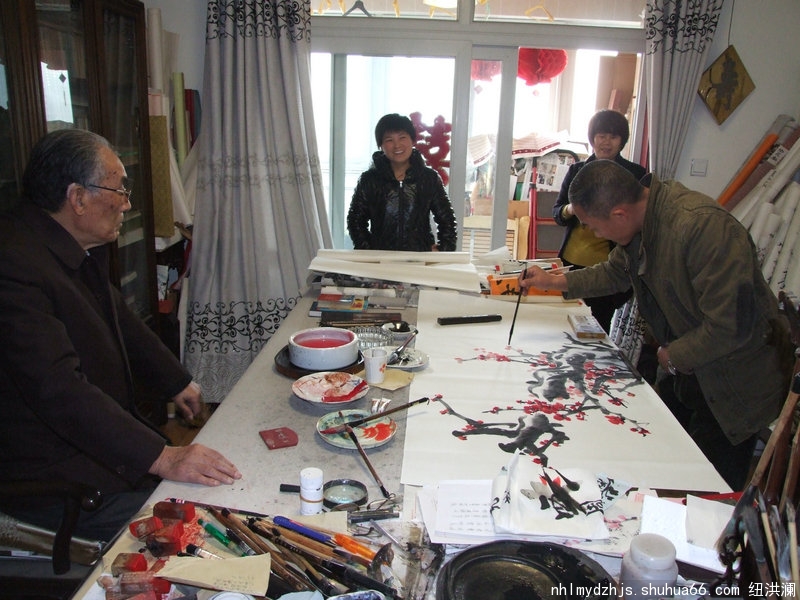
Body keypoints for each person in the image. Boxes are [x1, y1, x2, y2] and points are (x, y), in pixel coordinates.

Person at [0, 129, 241, 541]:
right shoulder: (14, 265)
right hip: (58, 480)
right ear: (78, 198)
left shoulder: (60, 241)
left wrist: (176, 380)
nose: (127, 204)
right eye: (119, 190)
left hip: (97, 451)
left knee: (225, 487)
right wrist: (163, 458)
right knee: (211, 523)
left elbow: (120, 320)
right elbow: (59, 390)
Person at [519, 159, 792, 490]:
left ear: (619, 214)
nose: (594, 234)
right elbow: (614, 273)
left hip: (733, 383)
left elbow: (731, 325)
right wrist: (553, 282)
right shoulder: (642, 222)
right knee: (666, 463)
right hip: (692, 369)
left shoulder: (703, 229)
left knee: (708, 488)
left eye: (594, 226)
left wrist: (673, 355)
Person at [552, 109, 646, 332]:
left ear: (622, 141)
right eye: (601, 136)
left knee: (598, 326)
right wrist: (572, 209)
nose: (606, 142)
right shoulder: (576, 170)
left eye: (613, 137)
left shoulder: (634, 173)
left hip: (610, 265)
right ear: (592, 138)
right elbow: (557, 213)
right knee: (564, 323)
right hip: (571, 260)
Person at [347, 113, 457, 252]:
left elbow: (447, 220)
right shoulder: (369, 180)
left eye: (402, 137)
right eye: (389, 140)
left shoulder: (429, 178)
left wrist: (442, 250)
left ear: (412, 140)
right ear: (381, 145)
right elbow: (355, 221)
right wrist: (368, 251)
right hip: (381, 259)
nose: (397, 145)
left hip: (419, 258)